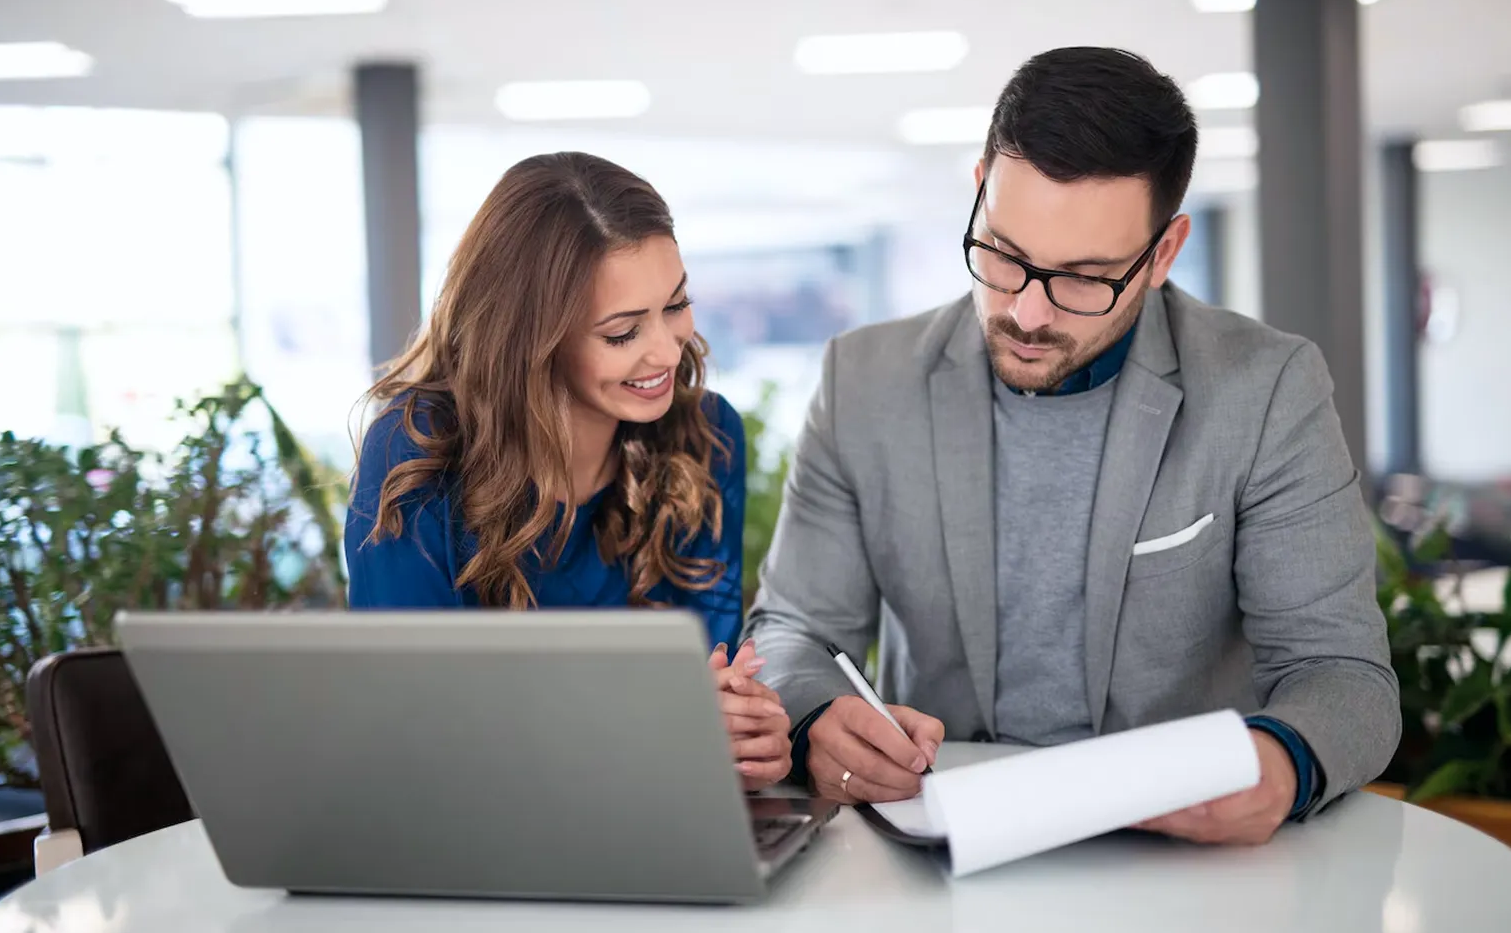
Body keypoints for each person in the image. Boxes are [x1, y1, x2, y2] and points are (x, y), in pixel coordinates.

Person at [745, 47, 1400, 843]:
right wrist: (816, 715)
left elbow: (1342, 674)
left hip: (1177, 857)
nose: (1025, 314)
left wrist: (1280, 760)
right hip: (939, 841)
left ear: (1162, 253)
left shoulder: (1265, 389)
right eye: (1003, 256)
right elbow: (792, 631)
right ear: (980, 186)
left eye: (1083, 279)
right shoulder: (864, 380)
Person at [346, 151, 791, 790]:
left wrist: (744, 737)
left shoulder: (706, 437)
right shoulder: (416, 453)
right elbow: (413, 730)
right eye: (621, 333)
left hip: (651, 815)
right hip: (478, 835)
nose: (668, 351)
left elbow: (703, 686)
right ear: (529, 339)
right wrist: (659, 725)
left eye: (676, 304)